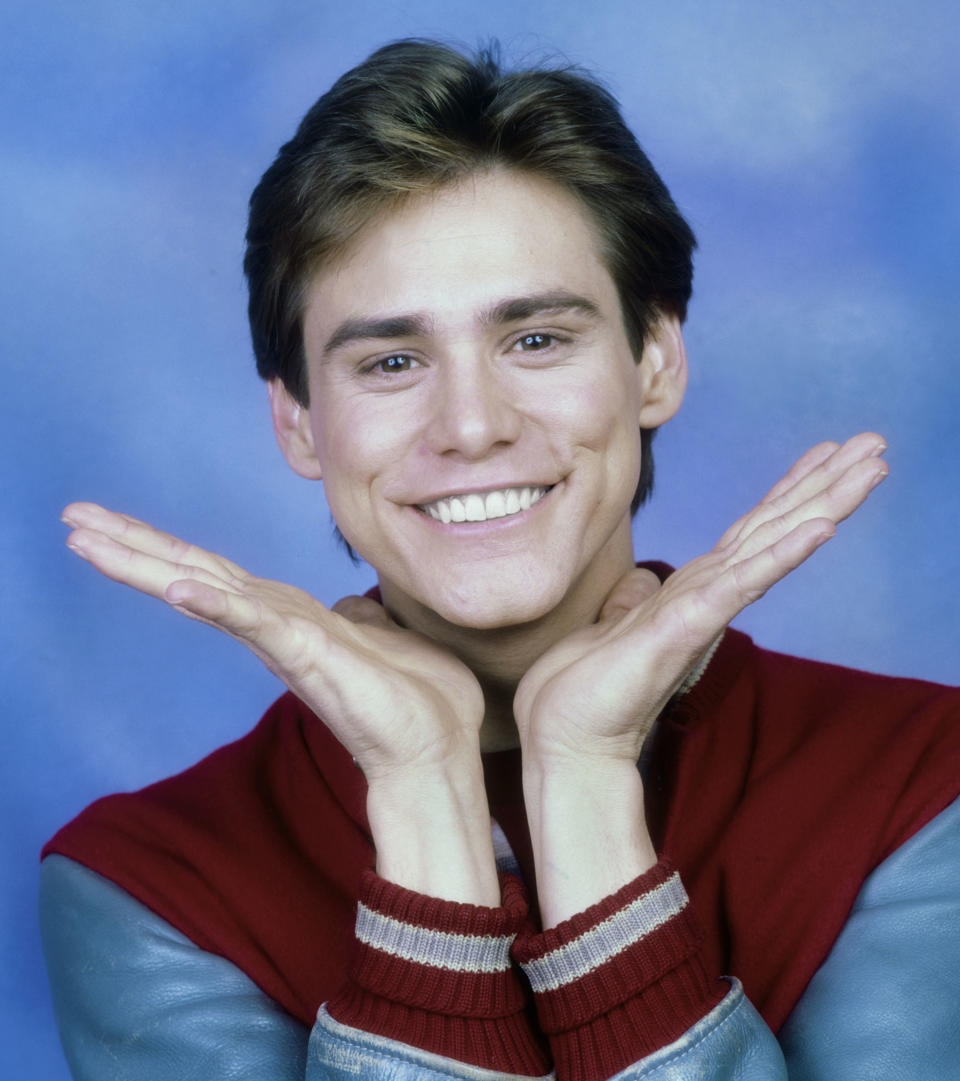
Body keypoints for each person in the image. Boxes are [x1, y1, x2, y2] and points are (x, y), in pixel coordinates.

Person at [41, 39, 960, 1081]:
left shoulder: (923, 787)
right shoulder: (149, 882)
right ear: (300, 423)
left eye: (536, 340)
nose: (470, 426)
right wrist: (422, 794)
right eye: (392, 361)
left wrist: (586, 782)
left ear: (654, 362)